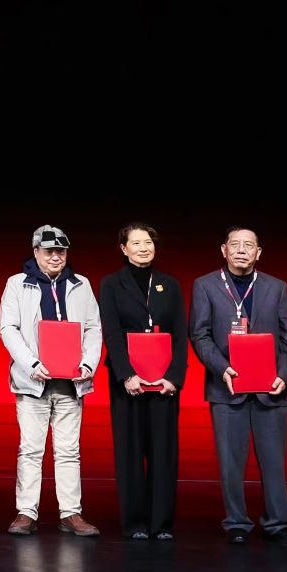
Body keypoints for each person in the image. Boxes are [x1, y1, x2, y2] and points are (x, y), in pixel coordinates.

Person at [189, 226, 287, 544]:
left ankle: (277, 523)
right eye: (235, 244)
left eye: (248, 245)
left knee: (274, 462)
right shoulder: (205, 285)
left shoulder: (276, 287)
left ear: (258, 252)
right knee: (230, 462)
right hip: (227, 387)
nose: (241, 250)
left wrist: (284, 375)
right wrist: (222, 368)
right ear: (223, 250)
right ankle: (236, 522)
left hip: (271, 388)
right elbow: (199, 334)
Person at [0, 226, 103, 537]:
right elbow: (8, 328)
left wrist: (89, 363)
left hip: (71, 383)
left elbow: (93, 328)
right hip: (33, 382)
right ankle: (26, 512)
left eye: (61, 251)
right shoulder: (17, 283)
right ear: (36, 252)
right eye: (49, 251)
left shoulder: (80, 284)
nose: (56, 256)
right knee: (30, 449)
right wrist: (31, 363)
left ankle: (71, 513)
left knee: (69, 451)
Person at [97, 222, 188, 539]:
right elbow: (111, 332)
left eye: (148, 242)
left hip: (164, 383)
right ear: (124, 249)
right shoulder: (111, 284)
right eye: (136, 243)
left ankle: (161, 523)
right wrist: (126, 374)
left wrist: (174, 377)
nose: (143, 248)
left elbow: (180, 334)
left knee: (164, 452)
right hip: (128, 382)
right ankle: (135, 522)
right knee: (130, 451)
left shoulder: (169, 284)